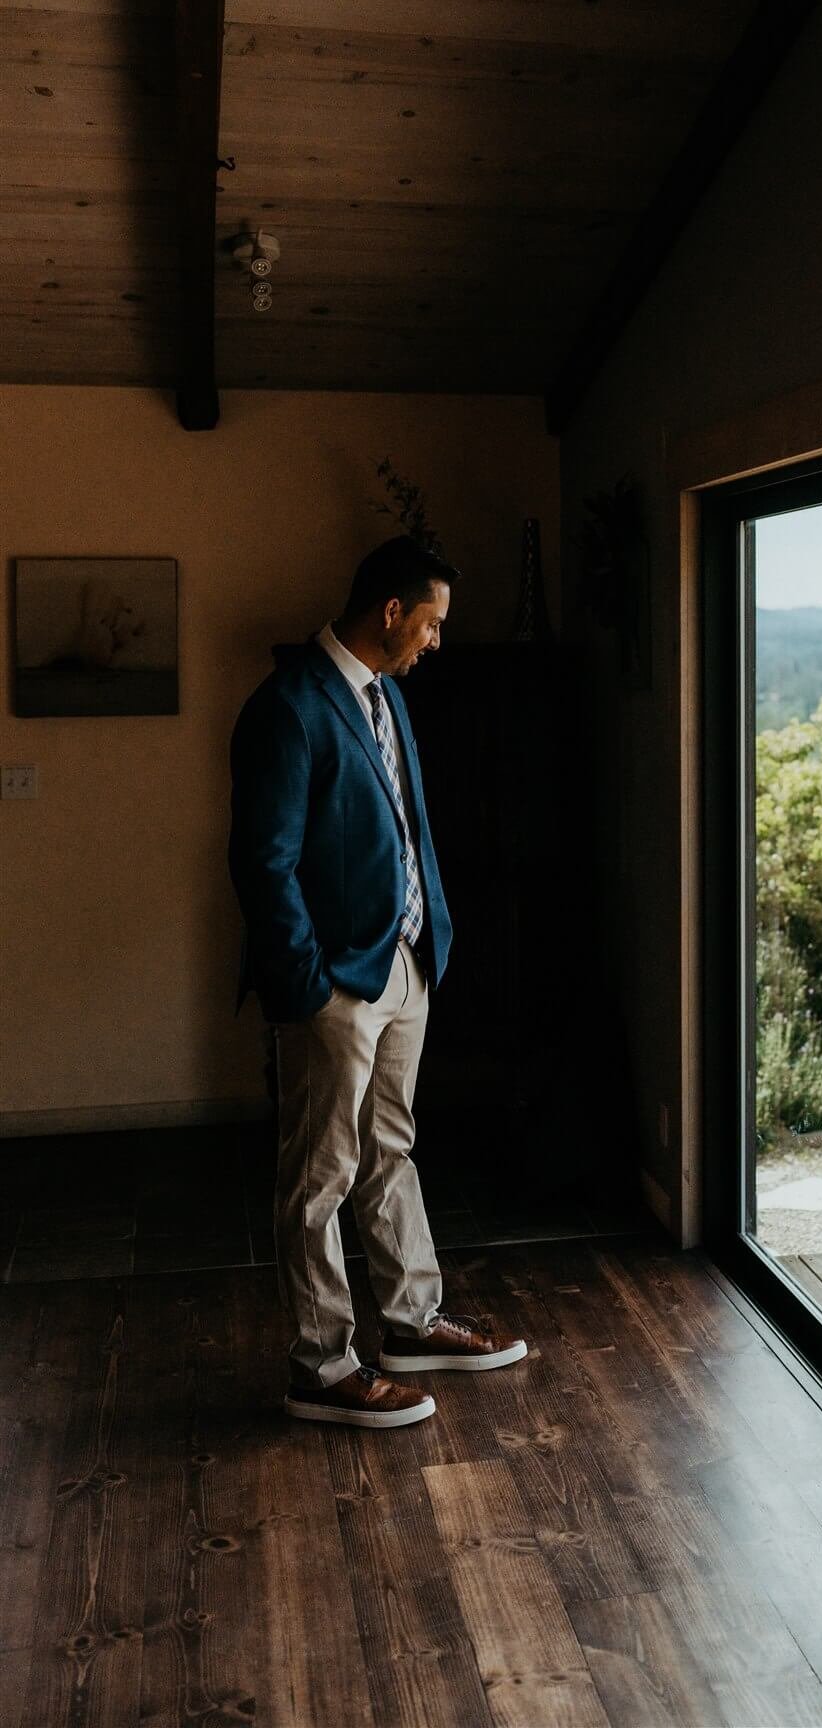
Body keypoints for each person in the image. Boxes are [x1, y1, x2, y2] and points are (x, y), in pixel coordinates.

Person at [229, 535, 527, 1427]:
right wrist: (307, 986)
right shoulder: (287, 706)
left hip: (407, 963)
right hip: (333, 984)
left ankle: (410, 1320)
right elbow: (262, 863)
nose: (435, 642)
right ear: (390, 611)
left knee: (389, 1148)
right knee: (319, 1174)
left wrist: (430, 938)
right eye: (430, 623)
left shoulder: (387, 695)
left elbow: (403, 826)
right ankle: (320, 1368)